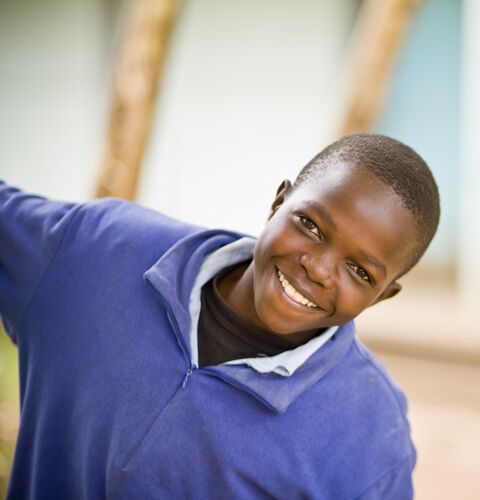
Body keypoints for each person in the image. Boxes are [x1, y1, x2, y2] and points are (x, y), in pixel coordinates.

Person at [0, 133, 440, 499]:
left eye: (360, 271)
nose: (318, 269)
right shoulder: (95, 250)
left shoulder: (369, 437)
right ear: (278, 202)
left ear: (382, 296)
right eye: (310, 225)